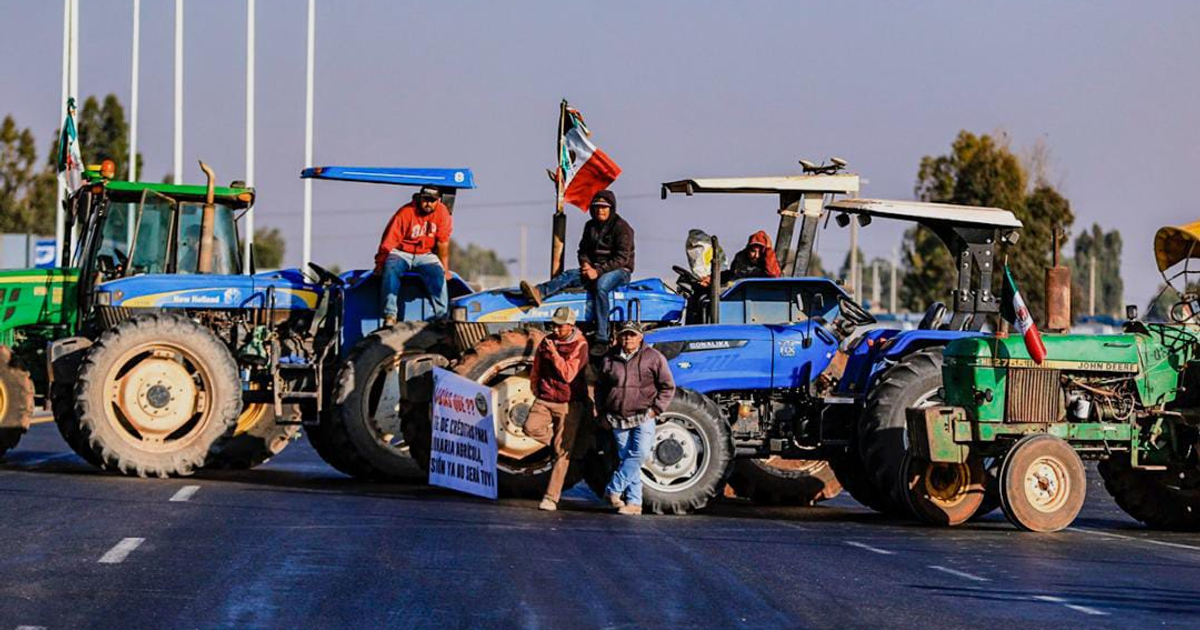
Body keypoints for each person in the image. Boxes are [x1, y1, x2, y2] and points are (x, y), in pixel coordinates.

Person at [520, 190, 634, 352]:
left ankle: (602, 336)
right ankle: (539, 293)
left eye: (604, 207)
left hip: (618, 270)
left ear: (611, 208)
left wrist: (598, 271)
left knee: (601, 287)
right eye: (597, 207)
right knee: (570, 275)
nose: (600, 210)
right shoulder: (590, 226)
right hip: (594, 268)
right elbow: (583, 250)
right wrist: (586, 265)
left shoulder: (622, 228)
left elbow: (622, 258)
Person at [597, 321, 675, 515]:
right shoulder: (609, 358)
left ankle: (613, 489)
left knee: (639, 454)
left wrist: (655, 410)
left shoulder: (654, 358)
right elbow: (600, 387)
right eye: (624, 335)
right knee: (626, 459)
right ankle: (634, 503)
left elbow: (668, 387)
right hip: (618, 417)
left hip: (644, 415)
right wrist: (601, 412)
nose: (627, 339)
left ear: (640, 337)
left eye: (632, 335)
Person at [525, 307, 590, 512]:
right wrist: (535, 386)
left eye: (559, 325)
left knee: (562, 454)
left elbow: (568, 374)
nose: (555, 329)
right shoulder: (547, 341)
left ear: (570, 325)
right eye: (553, 324)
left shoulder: (580, 345)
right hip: (545, 397)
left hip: (567, 402)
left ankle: (551, 498)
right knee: (530, 427)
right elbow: (537, 365)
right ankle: (560, 446)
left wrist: (554, 354)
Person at [375, 185, 453, 325]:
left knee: (437, 274)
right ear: (419, 198)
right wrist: (380, 264)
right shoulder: (405, 212)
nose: (428, 203)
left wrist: (445, 270)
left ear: (439, 201)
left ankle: (442, 317)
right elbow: (388, 241)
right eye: (425, 199)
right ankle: (390, 315)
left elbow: (443, 244)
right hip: (401, 252)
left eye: (432, 200)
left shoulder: (442, 213)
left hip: (426, 254)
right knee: (391, 268)